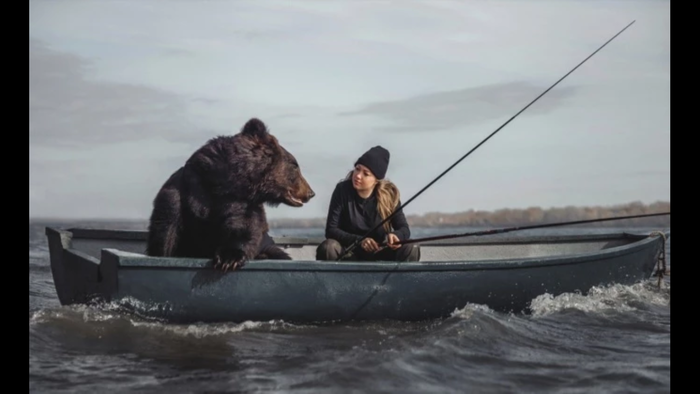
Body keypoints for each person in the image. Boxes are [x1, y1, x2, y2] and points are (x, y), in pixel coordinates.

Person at [316, 145, 420, 262]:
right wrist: (360, 241)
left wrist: (397, 236)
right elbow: (331, 230)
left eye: (366, 173)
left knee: (411, 247)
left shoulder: (389, 195)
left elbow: (404, 228)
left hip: (381, 253)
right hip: (349, 253)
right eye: (357, 169)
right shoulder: (342, 190)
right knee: (328, 247)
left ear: (376, 180)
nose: (358, 176)